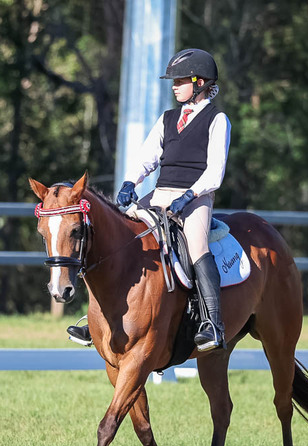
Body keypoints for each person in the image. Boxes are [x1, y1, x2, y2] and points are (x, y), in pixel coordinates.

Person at [68, 48, 231, 352]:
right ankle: (97, 318)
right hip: (159, 194)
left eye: (180, 81)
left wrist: (190, 195)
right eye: (174, 82)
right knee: (120, 235)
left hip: (196, 197)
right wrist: (130, 182)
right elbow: (147, 158)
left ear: (199, 82)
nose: (174, 87)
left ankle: (213, 323)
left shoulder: (217, 120)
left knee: (197, 247)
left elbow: (215, 173)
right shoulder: (168, 118)